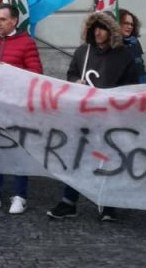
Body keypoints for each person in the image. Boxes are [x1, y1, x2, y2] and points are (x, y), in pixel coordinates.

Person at [47, 11, 139, 221]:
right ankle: (68, 202)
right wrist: (75, 81)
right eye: (94, 28)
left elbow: (131, 84)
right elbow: (71, 73)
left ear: (111, 31)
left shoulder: (123, 55)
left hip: (110, 117)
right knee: (76, 157)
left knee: (108, 159)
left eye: (102, 28)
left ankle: (107, 204)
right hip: (84, 116)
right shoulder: (83, 51)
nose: (98, 33)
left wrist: (117, 98)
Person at [0, 4, 42, 215]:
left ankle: (20, 195)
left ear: (14, 21)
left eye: (2, 19)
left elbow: (36, 73)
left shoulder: (26, 43)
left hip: (17, 105)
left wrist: (10, 71)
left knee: (19, 150)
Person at [118, 9, 146, 82]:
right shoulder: (113, 44)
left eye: (132, 24)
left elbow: (141, 67)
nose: (130, 27)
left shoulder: (134, 42)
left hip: (138, 84)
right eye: (126, 23)